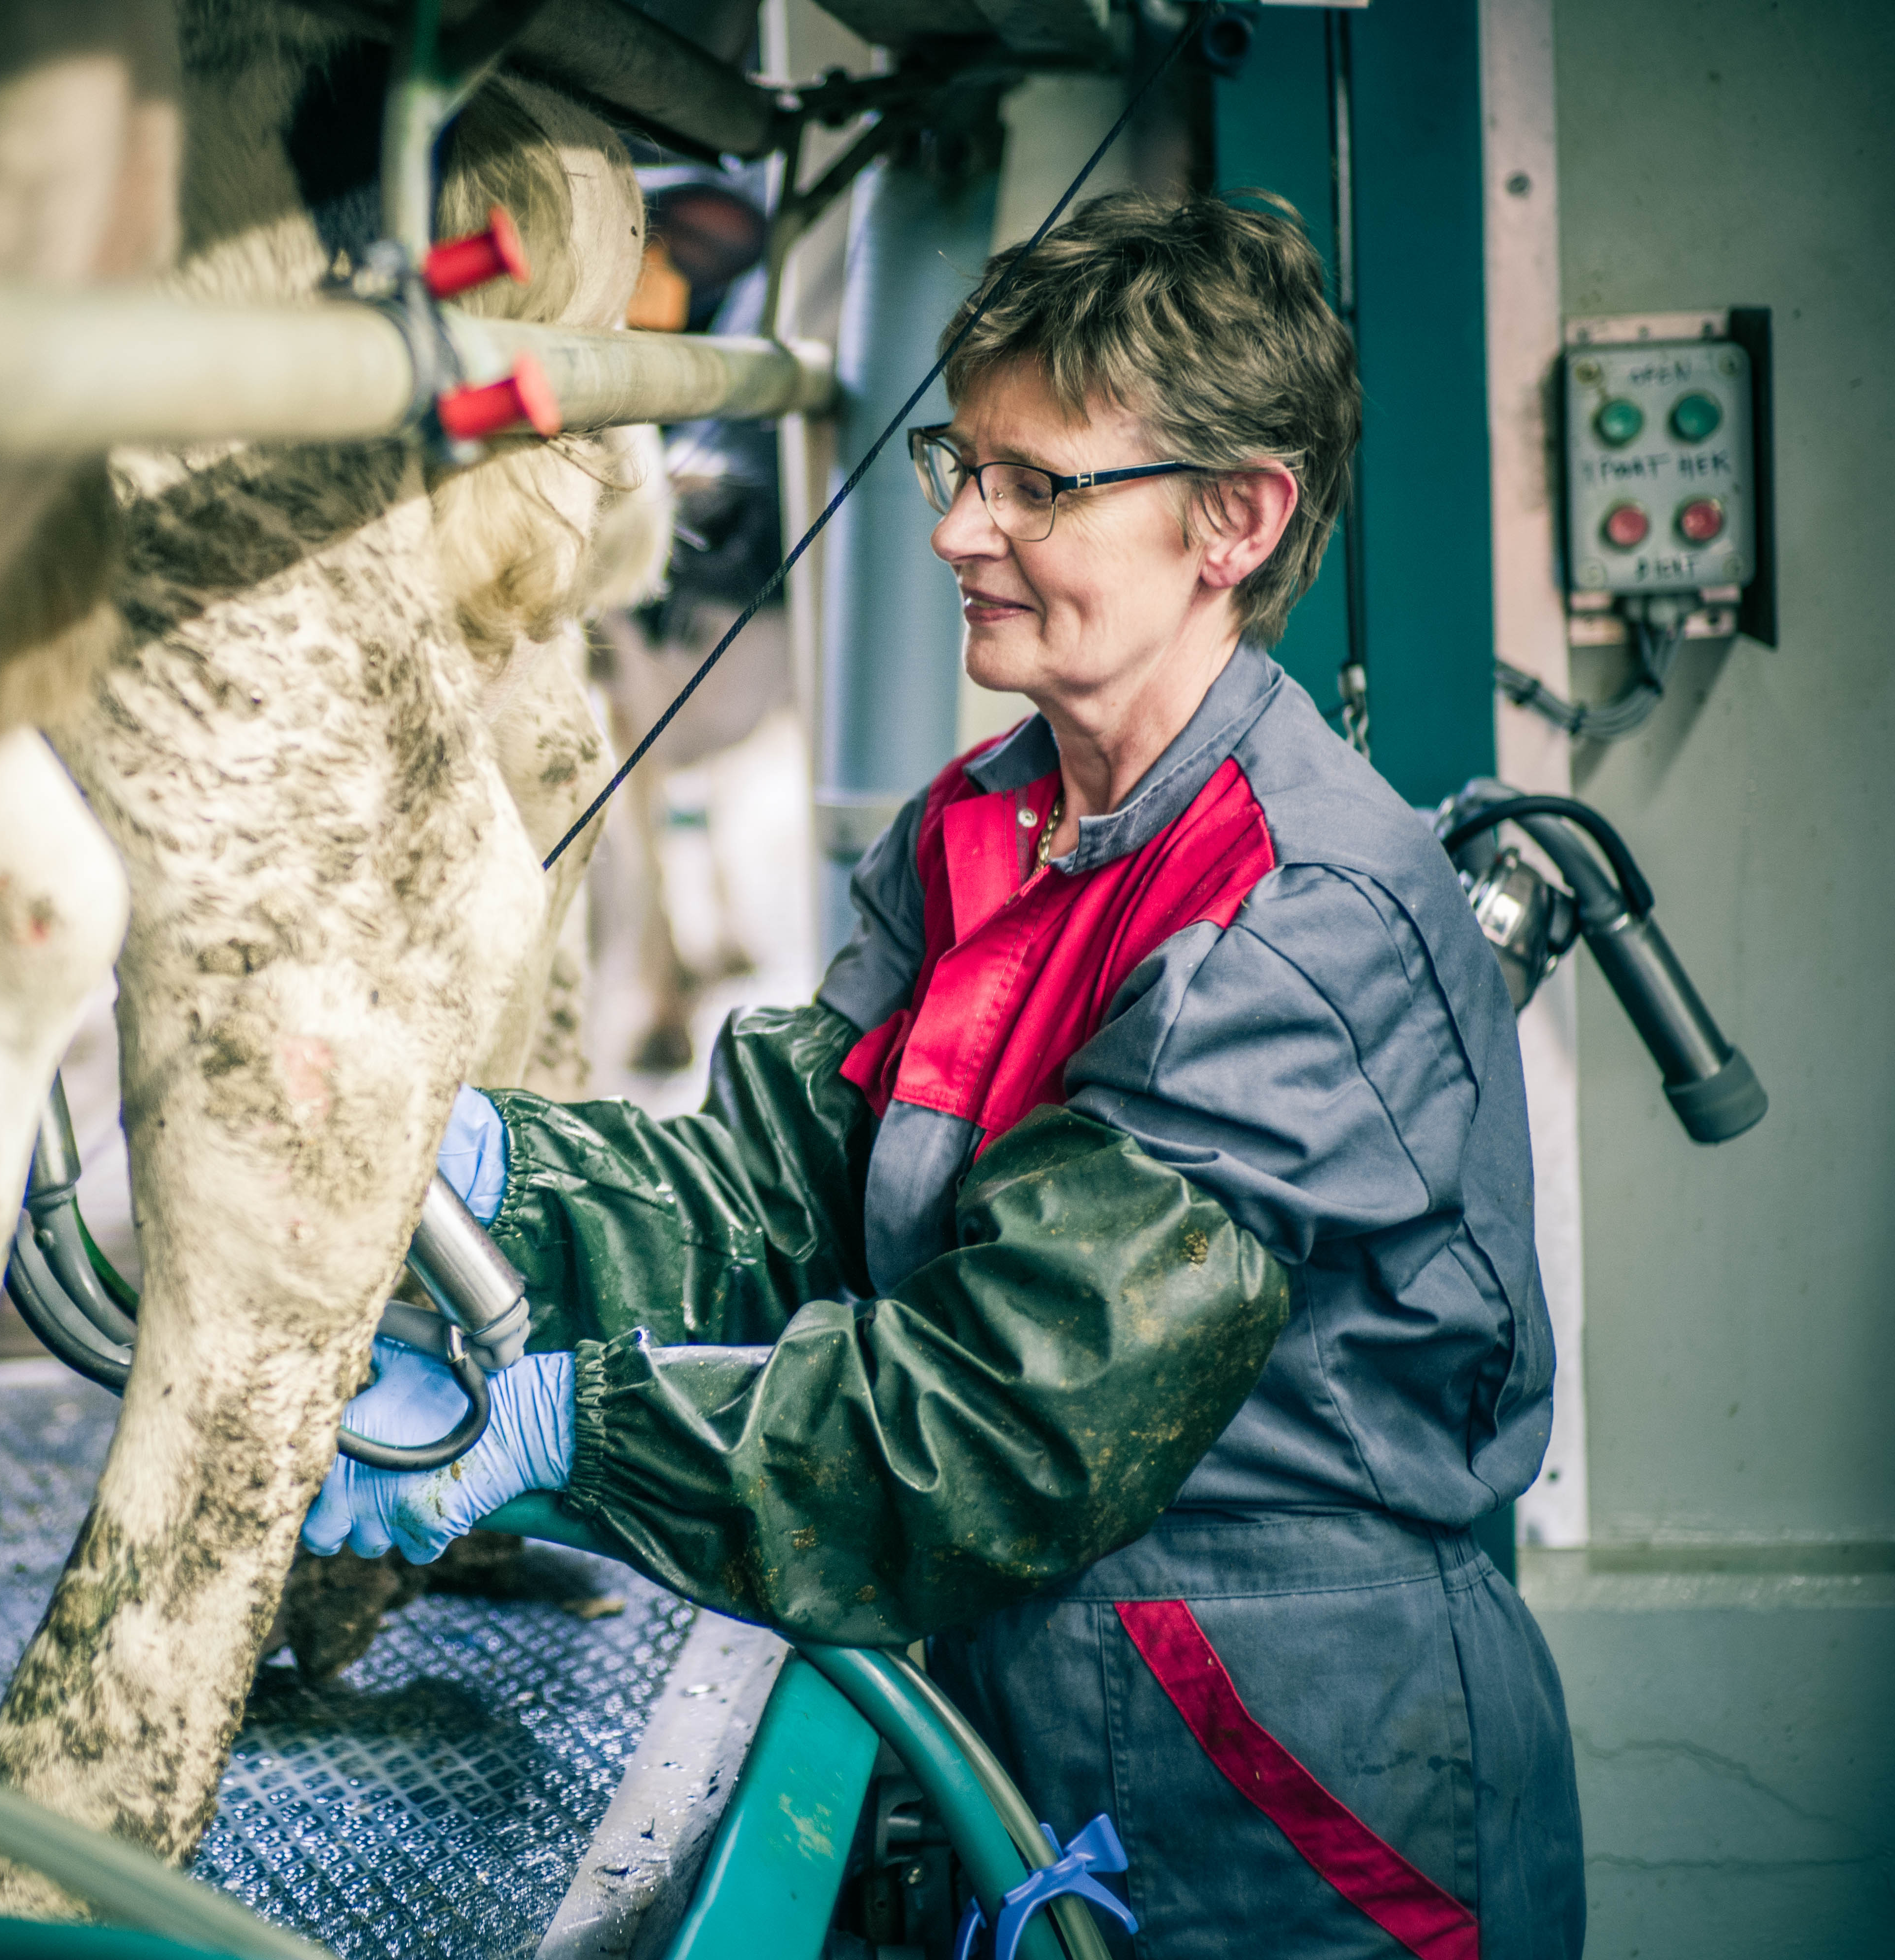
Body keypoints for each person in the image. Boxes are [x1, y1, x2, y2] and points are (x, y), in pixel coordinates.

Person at [303, 193, 1583, 1959]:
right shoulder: (981, 828)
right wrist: (485, 1174)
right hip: (1042, 1715)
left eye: (1037, 484)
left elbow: (1006, 1422)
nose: (964, 528)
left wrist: (562, 1432)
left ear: (1238, 517)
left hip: (1296, 1790)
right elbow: (783, 1208)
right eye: (954, 464)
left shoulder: (1299, 918)